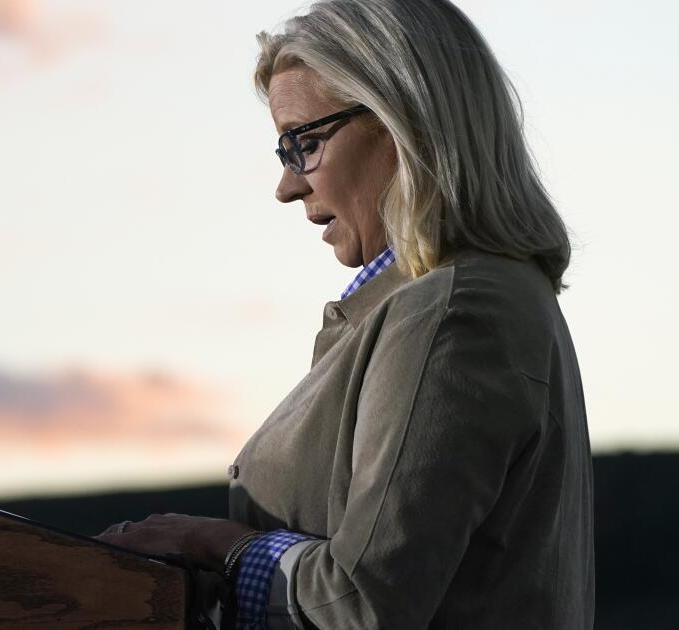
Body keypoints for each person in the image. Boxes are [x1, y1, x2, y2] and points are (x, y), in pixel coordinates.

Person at [95, 1, 593, 628]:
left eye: (304, 143)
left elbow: (362, 605)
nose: (287, 186)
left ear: (401, 118)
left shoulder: (453, 312)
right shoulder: (456, 299)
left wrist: (216, 546)